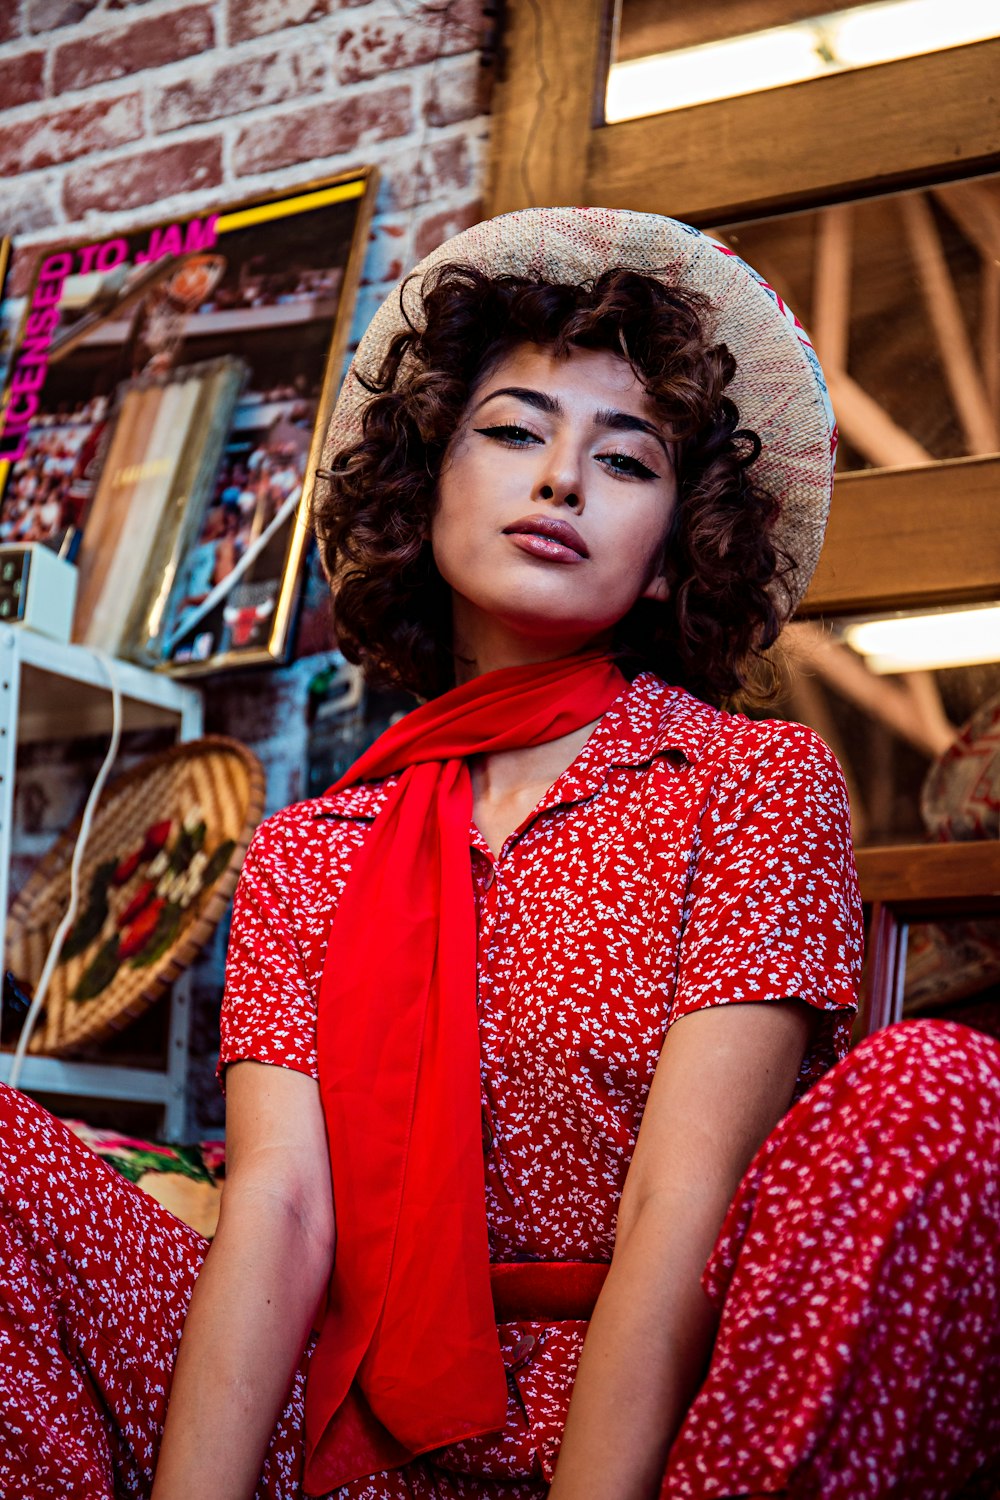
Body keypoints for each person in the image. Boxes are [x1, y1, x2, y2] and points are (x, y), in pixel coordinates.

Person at [1, 207, 997, 1500]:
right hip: (349, 1398)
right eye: (515, 433)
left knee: (943, 1085)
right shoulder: (314, 848)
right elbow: (283, 1221)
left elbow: (677, 1213)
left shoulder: (751, 785)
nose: (561, 481)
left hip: (667, 1421)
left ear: (664, 557)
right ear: (428, 492)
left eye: (626, 462)